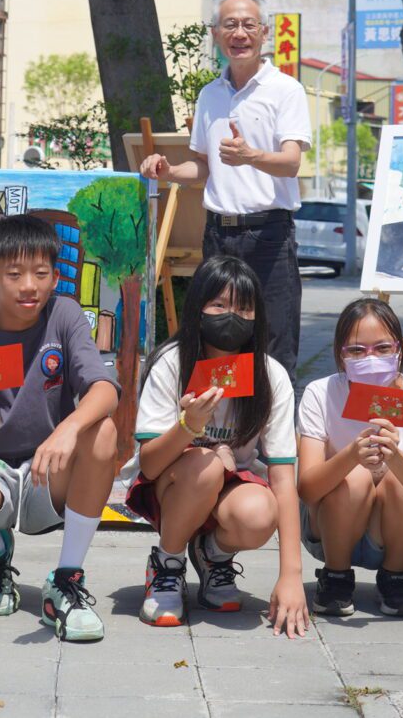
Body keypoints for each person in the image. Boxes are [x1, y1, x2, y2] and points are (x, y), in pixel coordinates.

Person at [0, 213, 119, 643]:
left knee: (103, 431)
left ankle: (66, 580)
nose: (29, 286)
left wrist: (68, 429)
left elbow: (105, 390)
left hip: (48, 467)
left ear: (56, 277)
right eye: (14, 274)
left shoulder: (65, 315)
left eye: (41, 273)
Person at [131, 256, 310, 636]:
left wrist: (291, 575)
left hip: (232, 485)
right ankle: (168, 562)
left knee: (261, 512)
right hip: (173, 483)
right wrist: (187, 425)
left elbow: (282, 476)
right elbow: (148, 464)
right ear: (197, 309)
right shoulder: (171, 363)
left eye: (244, 308)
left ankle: (213, 555)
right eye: (219, 305)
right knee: (207, 463)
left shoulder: (270, 375)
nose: (232, 315)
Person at [139, 0, 312, 371]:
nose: (239, 34)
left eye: (249, 25)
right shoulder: (210, 95)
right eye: (229, 25)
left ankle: (273, 430)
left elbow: (291, 163)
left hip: (269, 235)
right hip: (218, 233)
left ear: (264, 33)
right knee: (215, 339)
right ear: (216, 35)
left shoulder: (286, 90)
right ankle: (216, 427)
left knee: (273, 345)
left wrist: (250, 155)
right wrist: (169, 171)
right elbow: (203, 167)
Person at [296, 297, 403, 620]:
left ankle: (396, 577)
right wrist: (351, 455)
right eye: (356, 351)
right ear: (340, 353)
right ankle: (335, 576)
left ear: (401, 348)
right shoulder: (320, 394)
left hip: (392, 526)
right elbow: (307, 489)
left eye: (382, 348)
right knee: (355, 476)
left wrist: (396, 460)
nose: (370, 359)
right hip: (329, 525)